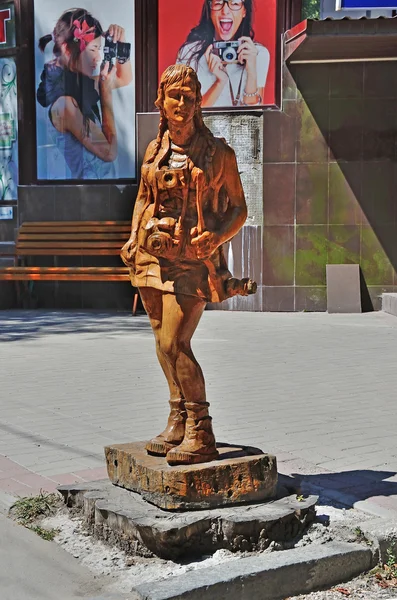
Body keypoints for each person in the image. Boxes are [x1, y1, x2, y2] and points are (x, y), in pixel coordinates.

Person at [121, 64, 255, 466]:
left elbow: (240, 210)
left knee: (175, 342)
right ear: (160, 101)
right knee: (161, 341)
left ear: (198, 103)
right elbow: (144, 198)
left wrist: (216, 237)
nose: (181, 104)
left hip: (193, 261)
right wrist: (132, 237)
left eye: (189, 96)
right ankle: (178, 418)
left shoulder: (219, 155)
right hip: (151, 253)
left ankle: (202, 430)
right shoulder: (154, 150)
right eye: (174, 96)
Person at [37, 8, 132, 179]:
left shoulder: (79, 84)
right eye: (94, 49)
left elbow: (124, 78)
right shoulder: (64, 104)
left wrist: (121, 43)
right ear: (67, 50)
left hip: (102, 189)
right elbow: (109, 152)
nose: (98, 57)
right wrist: (105, 92)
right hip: (89, 196)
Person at [176, 0, 269, 108]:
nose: (225, 11)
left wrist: (252, 72)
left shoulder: (257, 53)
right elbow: (185, 115)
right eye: (218, 3)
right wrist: (220, 82)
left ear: (244, 11)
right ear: (210, 10)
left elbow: (255, 116)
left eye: (234, 3)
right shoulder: (189, 53)